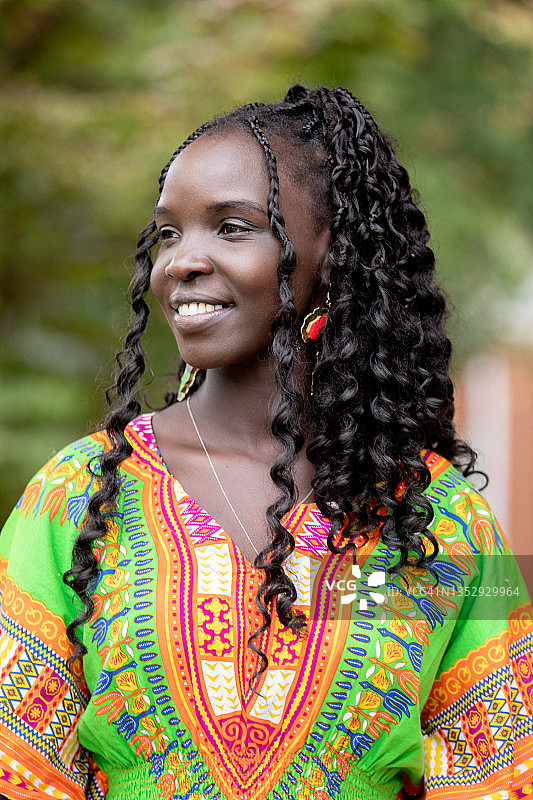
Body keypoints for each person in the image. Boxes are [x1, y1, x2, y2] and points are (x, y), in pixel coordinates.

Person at [0, 85, 531, 800]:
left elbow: (500, 770)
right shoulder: (79, 491)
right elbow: (18, 764)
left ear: (335, 254)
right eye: (168, 233)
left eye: (232, 227)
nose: (181, 261)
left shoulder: (439, 515)